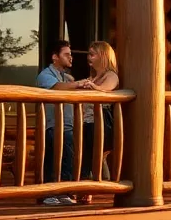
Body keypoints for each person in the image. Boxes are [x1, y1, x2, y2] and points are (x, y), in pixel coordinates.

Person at [36, 40, 83, 206]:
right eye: (66, 54)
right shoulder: (45, 75)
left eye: (71, 54)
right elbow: (56, 88)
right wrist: (77, 84)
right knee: (52, 159)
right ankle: (47, 194)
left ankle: (64, 192)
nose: (71, 57)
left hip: (68, 124)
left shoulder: (67, 77)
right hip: (53, 125)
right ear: (55, 57)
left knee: (67, 159)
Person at [73, 41, 120, 205]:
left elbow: (107, 89)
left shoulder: (111, 75)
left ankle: (88, 190)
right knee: (89, 157)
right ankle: (91, 189)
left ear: (103, 56)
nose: (89, 57)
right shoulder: (93, 77)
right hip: (87, 122)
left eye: (92, 54)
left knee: (93, 157)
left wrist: (91, 86)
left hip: (100, 123)